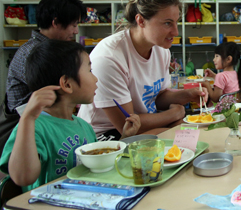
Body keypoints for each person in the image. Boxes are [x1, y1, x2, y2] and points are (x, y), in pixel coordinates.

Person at [78, 0, 207, 140]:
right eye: (168, 23)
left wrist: (187, 95)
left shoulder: (161, 50)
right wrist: (174, 115)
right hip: (107, 136)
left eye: (176, 22)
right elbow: (128, 126)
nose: (176, 32)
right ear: (140, 21)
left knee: (193, 130)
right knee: (183, 132)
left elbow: (157, 97)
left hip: (143, 124)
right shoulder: (109, 58)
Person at [0, 40, 141, 192]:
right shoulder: (34, 127)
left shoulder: (83, 126)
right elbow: (23, 178)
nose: (95, 79)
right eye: (89, 70)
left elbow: (98, 167)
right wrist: (27, 119)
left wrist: (124, 138)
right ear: (67, 84)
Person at [0, 0, 86, 155]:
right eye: (74, 25)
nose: (76, 31)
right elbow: (58, 95)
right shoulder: (35, 54)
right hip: (26, 132)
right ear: (55, 23)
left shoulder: (52, 50)